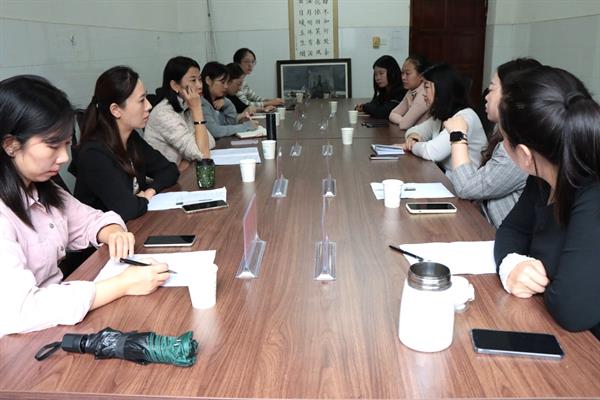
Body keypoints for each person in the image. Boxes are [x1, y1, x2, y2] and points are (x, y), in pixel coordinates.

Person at [0, 75, 170, 336]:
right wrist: (121, 285)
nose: (64, 157)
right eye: (53, 145)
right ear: (11, 145)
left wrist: (112, 231)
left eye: (67, 144)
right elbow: (19, 311)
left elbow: (91, 219)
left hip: (54, 325)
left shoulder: (43, 188)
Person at [494, 66, 600, 339]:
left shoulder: (592, 194)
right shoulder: (544, 176)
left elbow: (572, 310)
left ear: (525, 155)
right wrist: (511, 264)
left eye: (503, 138)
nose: (501, 144)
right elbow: (511, 230)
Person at [73, 66, 179, 222]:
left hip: (133, 225)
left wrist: (149, 192)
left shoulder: (131, 138)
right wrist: (141, 200)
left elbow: (169, 170)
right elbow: (127, 209)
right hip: (105, 236)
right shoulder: (94, 154)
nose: (149, 106)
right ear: (116, 110)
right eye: (141, 100)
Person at [445, 58, 541, 227]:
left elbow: (466, 188)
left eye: (491, 90)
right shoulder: (506, 135)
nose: (486, 97)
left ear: (511, 96)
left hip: (500, 237)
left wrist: (458, 135)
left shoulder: (519, 149)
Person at [401, 63, 487, 172]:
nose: (424, 94)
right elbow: (415, 130)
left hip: (465, 180)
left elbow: (432, 152)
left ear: (441, 89)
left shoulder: (464, 117)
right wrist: (413, 137)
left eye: (426, 87)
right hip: (445, 177)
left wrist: (411, 146)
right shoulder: (442, 116)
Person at [144, 56, 215, 171]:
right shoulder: (164, 114)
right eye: (193, 80)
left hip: (182, 172)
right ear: (175, 85)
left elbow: (210, 142)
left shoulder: (186, 105)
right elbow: (203, 155)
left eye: (200, 79)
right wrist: (197, 109)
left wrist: (187, 160)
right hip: (163, 179)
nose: (200, 86)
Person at [201, 61, 259, 138]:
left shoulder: (219, 101)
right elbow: (216, 131)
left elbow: (231, 123)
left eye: (227, 82)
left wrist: (227, 103)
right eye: (222, 82)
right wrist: (245, 126)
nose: (226, 86)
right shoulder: (202, 104)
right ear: (208, 80)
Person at [388, 54, 430, 129]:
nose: (403, 77)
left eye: (407, 74)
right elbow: (392, 114)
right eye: (402, 73)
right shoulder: (411, 91)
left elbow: (404, 125)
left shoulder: (424, 93)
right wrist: (404, 121)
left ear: (421, 75)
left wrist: (405, 122)